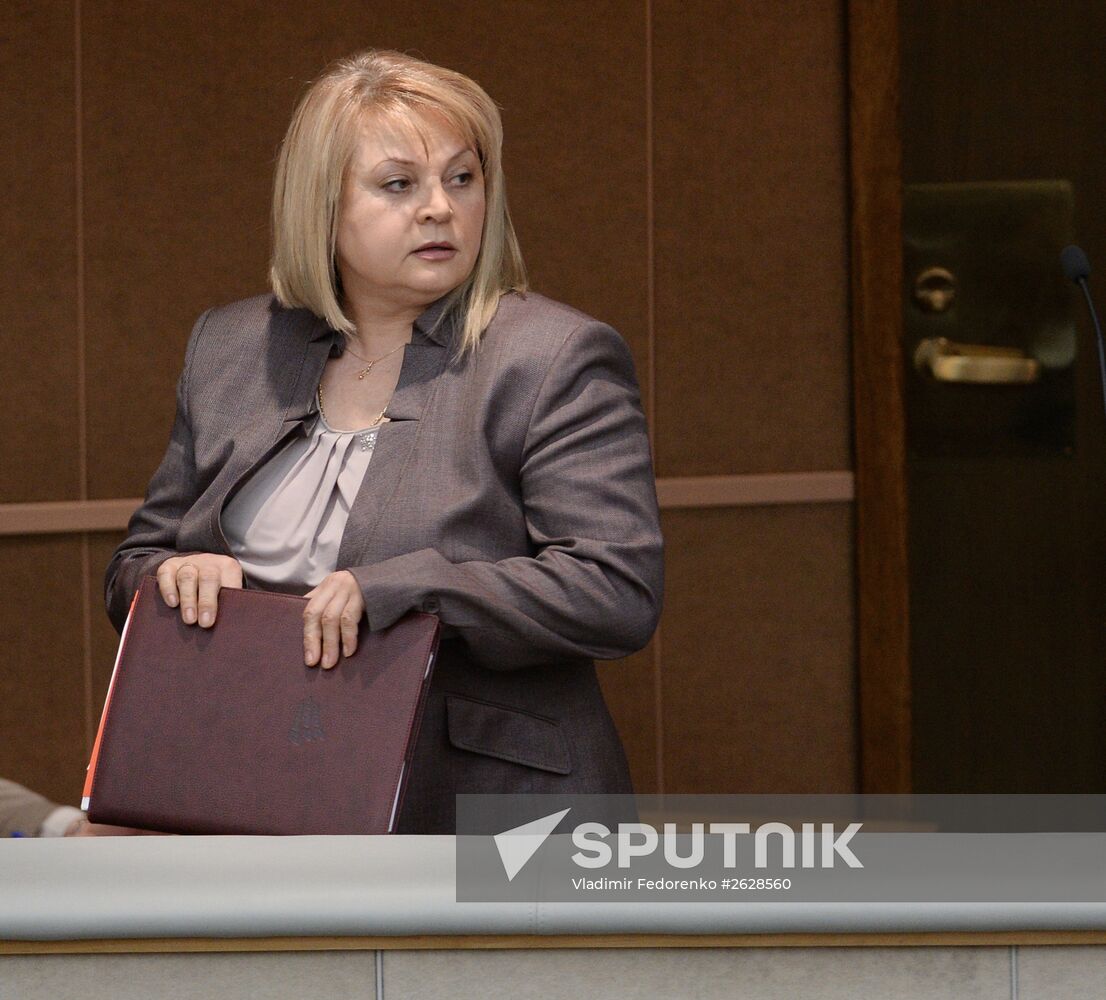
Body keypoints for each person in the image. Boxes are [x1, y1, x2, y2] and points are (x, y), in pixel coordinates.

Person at [104, 49, 663, 833]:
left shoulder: (551, 356)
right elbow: (133, 568)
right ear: (320, 207)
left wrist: (414, 589)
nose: (439, 208)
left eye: (462, 179)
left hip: (490, 812)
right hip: (255, 795)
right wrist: (174, 573)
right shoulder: (230, 348)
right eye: (399, 185)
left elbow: (615, 592)